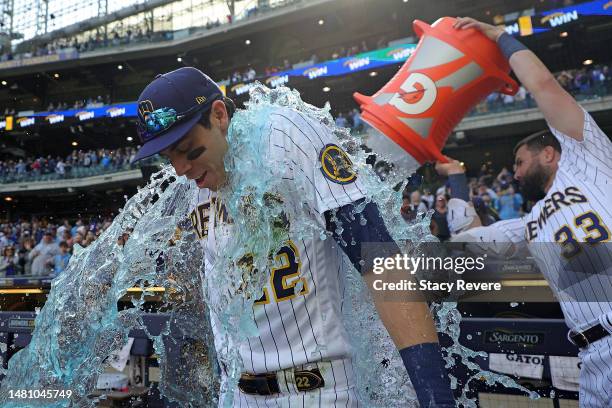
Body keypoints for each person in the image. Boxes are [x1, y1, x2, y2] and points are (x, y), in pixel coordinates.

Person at [132, 67, 454, 407]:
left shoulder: (283, 134)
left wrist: (435, 396)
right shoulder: (196, 186)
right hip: (242, 393)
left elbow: (381, 261)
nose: (181, 168)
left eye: (189, 149)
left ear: (219, 114)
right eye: (170, 158)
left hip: (317, 388)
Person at [452, 17, 612, 407]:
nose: (517, 170)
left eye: (521, 162)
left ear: (549, 153)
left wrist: (498, 37)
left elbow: (542, 86)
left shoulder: (587, 158)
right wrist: (456, 178)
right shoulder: (530, 222)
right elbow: (468, 240)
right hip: (593, 358)